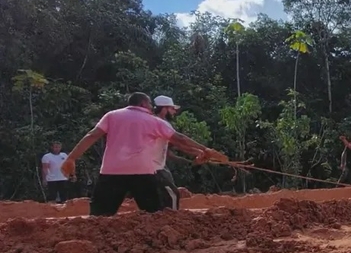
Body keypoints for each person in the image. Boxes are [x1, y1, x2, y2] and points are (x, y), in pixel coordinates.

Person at [60, 92, 227, 217]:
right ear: (144, 104)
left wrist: (71, 158)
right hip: (143, 172)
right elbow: (179, 139)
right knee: (153, 214)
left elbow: (92, 135)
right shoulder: (155, 121)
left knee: (99, 216)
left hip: (111, 171)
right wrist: (205, 149)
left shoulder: (111, 116)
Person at [153, 95, 203, 210]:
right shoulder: (159, 123)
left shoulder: (159, 122)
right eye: (172, 109)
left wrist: (195, 154)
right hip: (154, 166)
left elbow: (174, 147)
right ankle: (172, 221)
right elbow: (180, 140)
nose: (174, 112)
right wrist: (204, 150)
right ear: (164, 109)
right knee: (173, 195)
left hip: (158, 165)